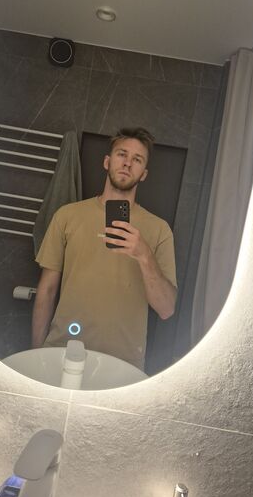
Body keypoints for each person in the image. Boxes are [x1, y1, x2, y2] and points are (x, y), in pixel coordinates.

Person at [31, 127, 177, 370]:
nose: (127, 163)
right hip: (63, 352)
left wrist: (144, 255)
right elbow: (46, 290)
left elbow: (166, 309)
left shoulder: (159, 230)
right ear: (107, 161)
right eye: (122, 154)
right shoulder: (67, 216)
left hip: (123, 365)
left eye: (137, 159)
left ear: (144, 174)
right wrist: (36, 357)